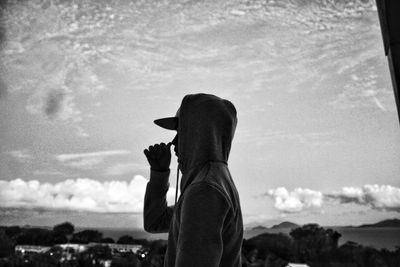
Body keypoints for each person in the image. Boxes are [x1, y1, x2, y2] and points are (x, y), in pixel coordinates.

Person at [143, 93, 243, 267]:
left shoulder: (204, 189)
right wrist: (159, 173)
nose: (174, 142)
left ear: (198, 134)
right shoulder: (214, 180)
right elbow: (155, 221)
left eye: (181, 132)